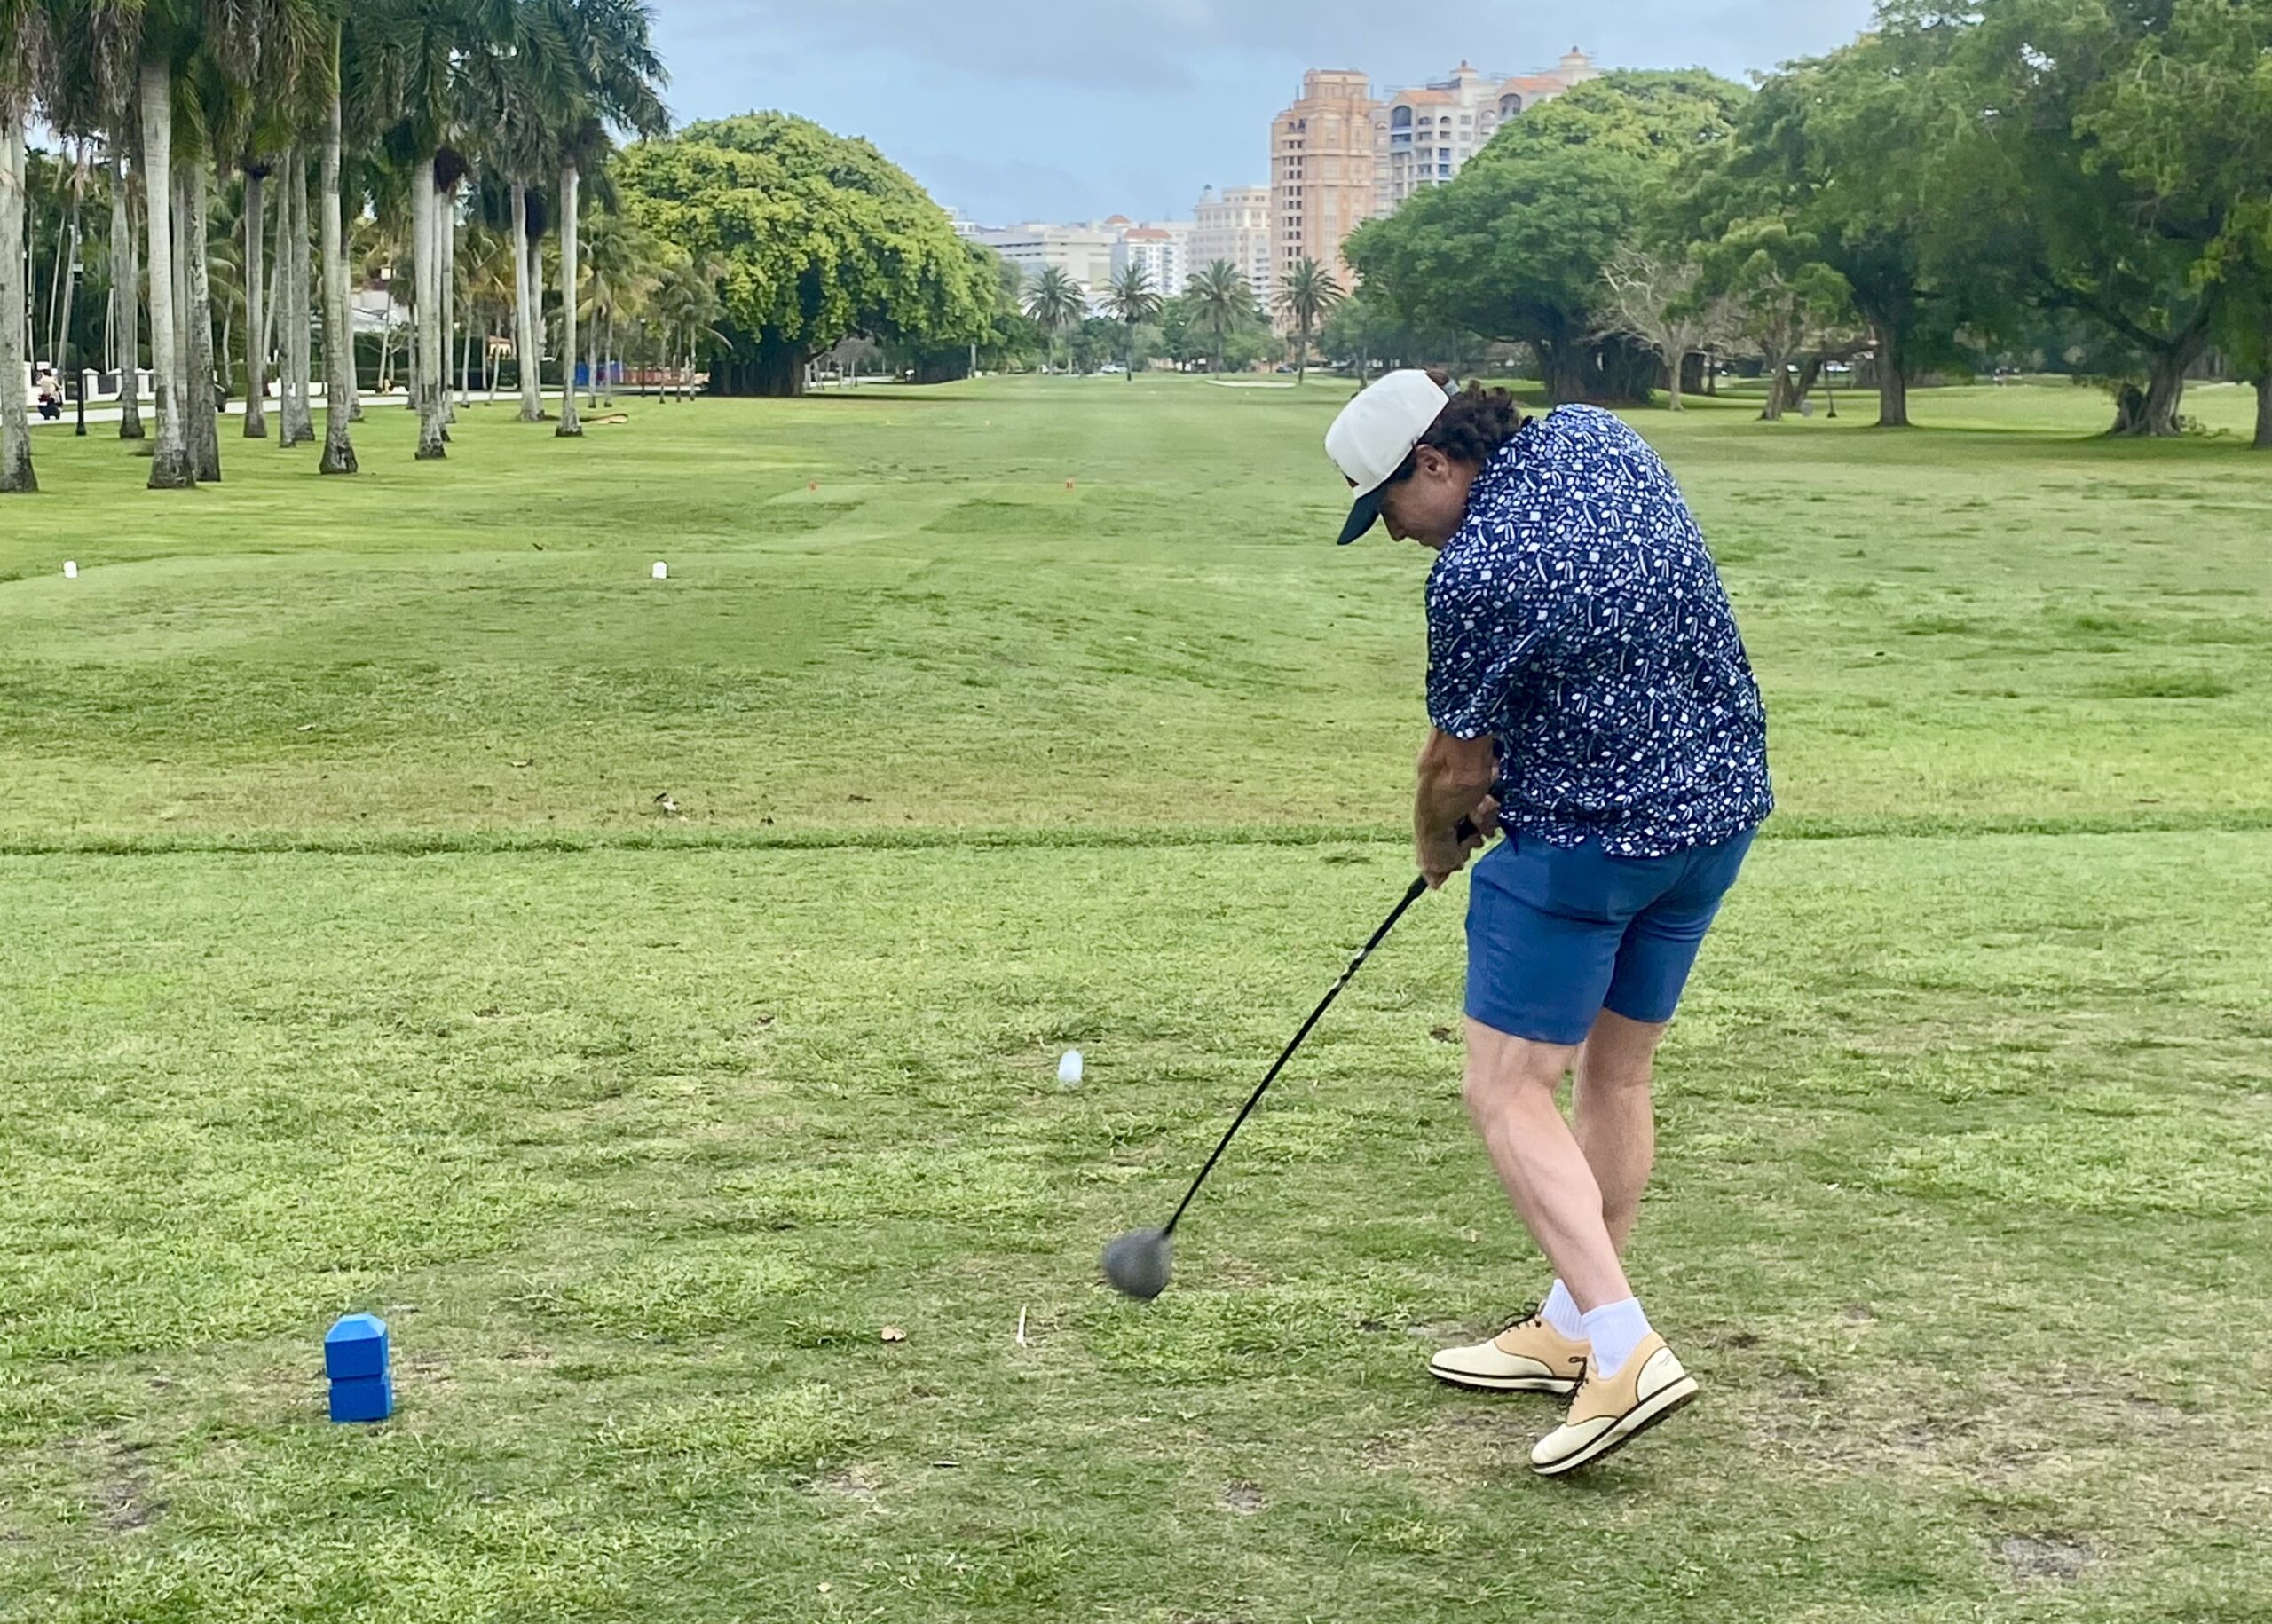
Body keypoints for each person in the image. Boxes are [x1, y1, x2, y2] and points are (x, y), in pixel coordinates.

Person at [1324, 371, 1772, 1475]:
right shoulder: (1595, 435)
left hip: (1584, 849)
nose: (1393, 536)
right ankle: (1573, 1322)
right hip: (1712, 821)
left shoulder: (1472, 572)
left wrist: (1436, 843)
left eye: (1385, 507)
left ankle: (1621, 1348)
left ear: (1431, 463)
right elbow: (1607, 634)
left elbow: (1453, 766)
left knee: (1504, 1088)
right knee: (1613, 1079)